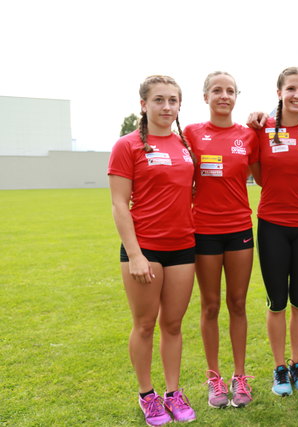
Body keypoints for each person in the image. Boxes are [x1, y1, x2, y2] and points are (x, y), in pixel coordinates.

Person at [108, 75, 197, 426]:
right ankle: (148, 395)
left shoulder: (184, 145)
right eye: (159, 100)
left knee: (173, 324)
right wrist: (135, 254)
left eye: (173, 100)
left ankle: (173, 393)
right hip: (145, 248)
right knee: (145, 325)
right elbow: (118, 204)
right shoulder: (127, 145)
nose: (167, 107)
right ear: (143, 105)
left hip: (183, 247)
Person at [184, 71, 259, 408]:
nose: (224, 96)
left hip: (239, 229)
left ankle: (239, 377)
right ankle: (214, 378)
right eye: (217, 90)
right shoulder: (191, 134)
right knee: (211, 305)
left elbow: (267, 172)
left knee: (238, 303)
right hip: (203, 231)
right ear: (205, 97)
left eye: (230, 90)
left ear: (236, 96)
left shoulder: (249, 134)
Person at [252, 67, 298, 396]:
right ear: (279, 91)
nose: (297, 94)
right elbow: (258, 172)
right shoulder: (261, 128)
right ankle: (279, 367)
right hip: (272, 225)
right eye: (291, 88)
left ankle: (297, 364)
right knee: (277, 302)